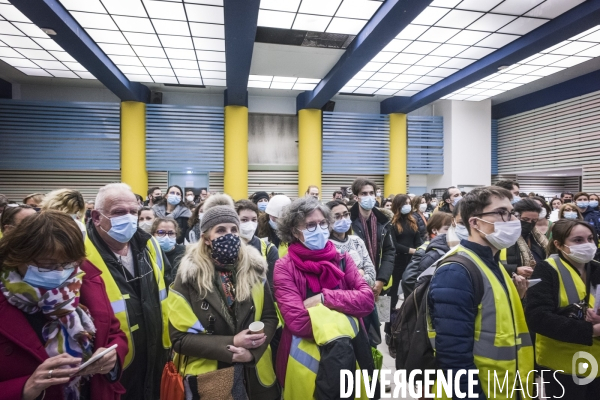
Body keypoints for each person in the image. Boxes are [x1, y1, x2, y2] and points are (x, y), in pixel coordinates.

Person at [0, 210, 128, 400]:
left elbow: (113, 332)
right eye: (47, 265)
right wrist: (25, 388)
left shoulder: (84, 283)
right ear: (19, 258)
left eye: (68, 263)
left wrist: (112, 358)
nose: (60, 273)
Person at [167, 200, 280, 400]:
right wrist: (232, 344)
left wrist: (252, 354)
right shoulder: (188, 276)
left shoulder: (255, 269)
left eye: (234, 229)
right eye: (220, 230)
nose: (229, 235)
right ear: (207, 238)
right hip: (211, 378)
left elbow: (270, 317)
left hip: (255, 376)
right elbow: (179, 339)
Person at [427, 186, 533, 398]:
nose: (511, 220)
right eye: (502, 212)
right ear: (474, 222)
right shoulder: (456, 270)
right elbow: (453, 353)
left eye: (512, 213)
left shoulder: (494, 264)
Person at [273, 197, 374, 399]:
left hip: (349, 353)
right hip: (304, 358)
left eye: (322, 223)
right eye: (310, 225)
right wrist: (345, 314)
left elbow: (367, 300)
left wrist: (324, 298)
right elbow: (297, 321)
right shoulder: (284, 267)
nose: (318, 229)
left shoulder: (342, 259)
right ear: (294, 231)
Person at [86, 183, 170, 400]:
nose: (129, 218)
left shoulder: (149, 245)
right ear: (96, 217)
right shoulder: (81, 255)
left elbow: (167, 290)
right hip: (111, 369)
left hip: (155, 355)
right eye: (119, 212)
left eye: (134, 212)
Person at [526, 219, 600, 398]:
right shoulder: (546, 269)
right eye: (578, 240)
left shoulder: (596, 268)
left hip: (596, 362)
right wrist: (590, 330)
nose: (587, 245)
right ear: (558, 244)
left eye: (590, 239)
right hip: (561, 364)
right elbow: (538, 317)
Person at [388, 194, 422, 331]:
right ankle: (388, 327)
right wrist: (412, 250)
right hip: (397, 261)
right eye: (404, 203)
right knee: (392, 296)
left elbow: (418, 240)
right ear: (398, 206)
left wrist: (418, 250)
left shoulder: (412, 221)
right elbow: (393, 245)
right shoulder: (391, 223)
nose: (408, 206)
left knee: (411, 294)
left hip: (412, 261)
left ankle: (408, 326)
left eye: (409, 203)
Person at [401, 210, 453, 297]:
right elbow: (408, 280)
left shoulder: (449, 247)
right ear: (434, 230)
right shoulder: (424, 250)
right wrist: (420, 301)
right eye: (447, 229)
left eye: (453, 228)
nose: (451, 232)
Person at [327, 200, 376, 288]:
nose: (343, 219)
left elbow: (372, 275)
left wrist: (355, 280)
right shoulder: (326, 246)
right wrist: (360, 272)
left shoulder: (357, 241)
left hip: (362, 298)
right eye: (336, 216)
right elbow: (336, 283)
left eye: (346, 214)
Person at [235, 199, 279, 290]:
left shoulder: (268, 249)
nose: (250, 224)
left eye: (254, 220)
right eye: (244, 220)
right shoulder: (226, 248)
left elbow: (272, 286)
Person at [499, 198, 548, 280]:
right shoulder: (503, 236)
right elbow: (489, 264)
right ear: (515, 216)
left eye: (534, 220)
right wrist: (514, 270)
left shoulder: (538, 238)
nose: (529, 223)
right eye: (525, 219)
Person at [151, 217, 185, 287]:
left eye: (171, 233)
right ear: (153, 234)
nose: (166, 236)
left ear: (176, 234)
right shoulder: (148, 254)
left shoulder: (185, 253)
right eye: (161, 232)